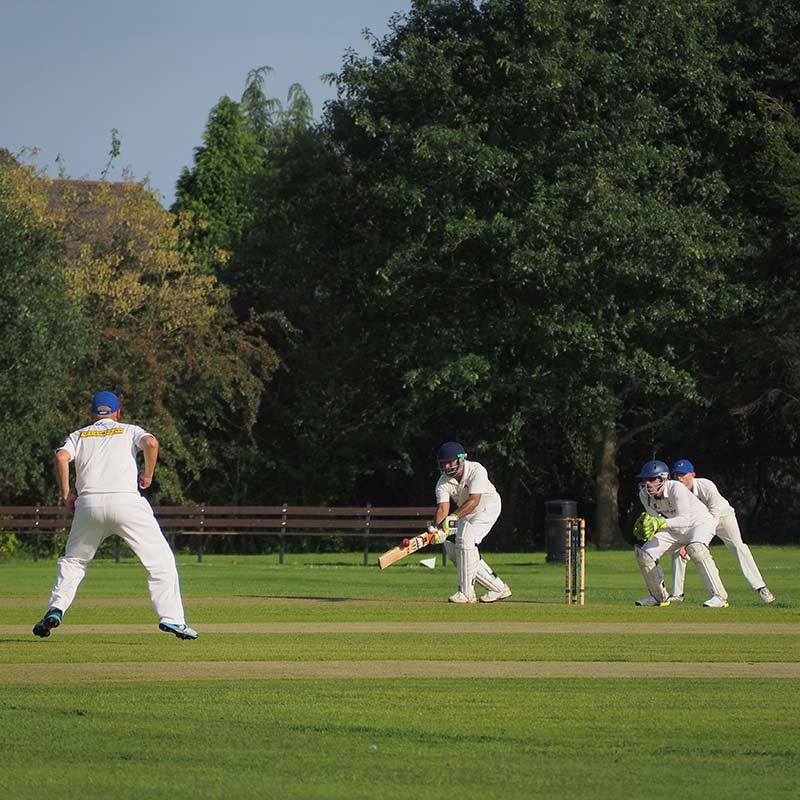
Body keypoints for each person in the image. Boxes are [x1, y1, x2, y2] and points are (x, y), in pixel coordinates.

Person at [33, 391, 198, 640]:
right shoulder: (129, 430)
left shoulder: (79, 435)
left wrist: (67, 494)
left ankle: (56, 609)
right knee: (160, 562)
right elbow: (151, 444)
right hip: (126, 502)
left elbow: (61, 457)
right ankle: (172, 619)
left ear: (91, 413)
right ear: (117, 413)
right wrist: (149, 475)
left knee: (74, 561)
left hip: (88, 505)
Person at [667, 459, 775, 604]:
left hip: (722, 517)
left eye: (682, 474)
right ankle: (677, 594)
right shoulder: (675, 492)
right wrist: (683, 543)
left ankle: (761, 587)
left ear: (692, 474)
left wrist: (699, 542)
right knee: (678, 551)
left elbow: (714, 516)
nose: (679, 479)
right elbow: (681, 517)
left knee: (738, 546)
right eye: (676, 475)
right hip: (698, 521)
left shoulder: (707, 486)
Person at [633, 459, 729, 608]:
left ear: (663, 478)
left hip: (699, 523)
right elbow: (655, 519)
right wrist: (649, 529)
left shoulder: (676, 488)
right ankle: (659, 597)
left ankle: (720, 597)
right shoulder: (644, 495)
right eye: (645, 479)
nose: (648, 483)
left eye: (652, 479)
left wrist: (659, 523)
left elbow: (685, 519)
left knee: (696, 549)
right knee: (644, 554)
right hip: (674, 528)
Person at [432, 441, 512, 604]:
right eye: (443, 463)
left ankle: (466, 593)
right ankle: (498, 588)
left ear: (461, 459)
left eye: (450, 462)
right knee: (452, 547)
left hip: (487, 507)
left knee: (465, 540)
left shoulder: (477, 470)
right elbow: (442, 509)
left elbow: (474, 500)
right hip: (465, 512)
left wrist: (453, 518)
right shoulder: (442, 482)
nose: (447, 467)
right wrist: (438, 530)